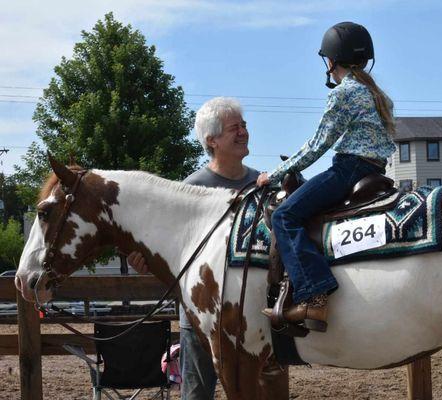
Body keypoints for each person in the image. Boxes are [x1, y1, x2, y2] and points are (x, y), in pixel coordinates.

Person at [258, 22, 396, 332]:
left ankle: (314, 296)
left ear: (331, 60)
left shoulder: (344, 93)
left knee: (284, 215)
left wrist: (276, 174)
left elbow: (317, 145)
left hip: (348, 168)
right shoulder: (378, 95)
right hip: (375, 170)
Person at [128, 97, 259, 400]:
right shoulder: (191, 189)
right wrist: (143, 260)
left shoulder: (260, 184)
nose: (243, 132)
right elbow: (165, 247)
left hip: (253, 318)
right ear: (212, 140)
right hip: (200, 320)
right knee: (197, 394)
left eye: (244, 126)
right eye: (233, 128)